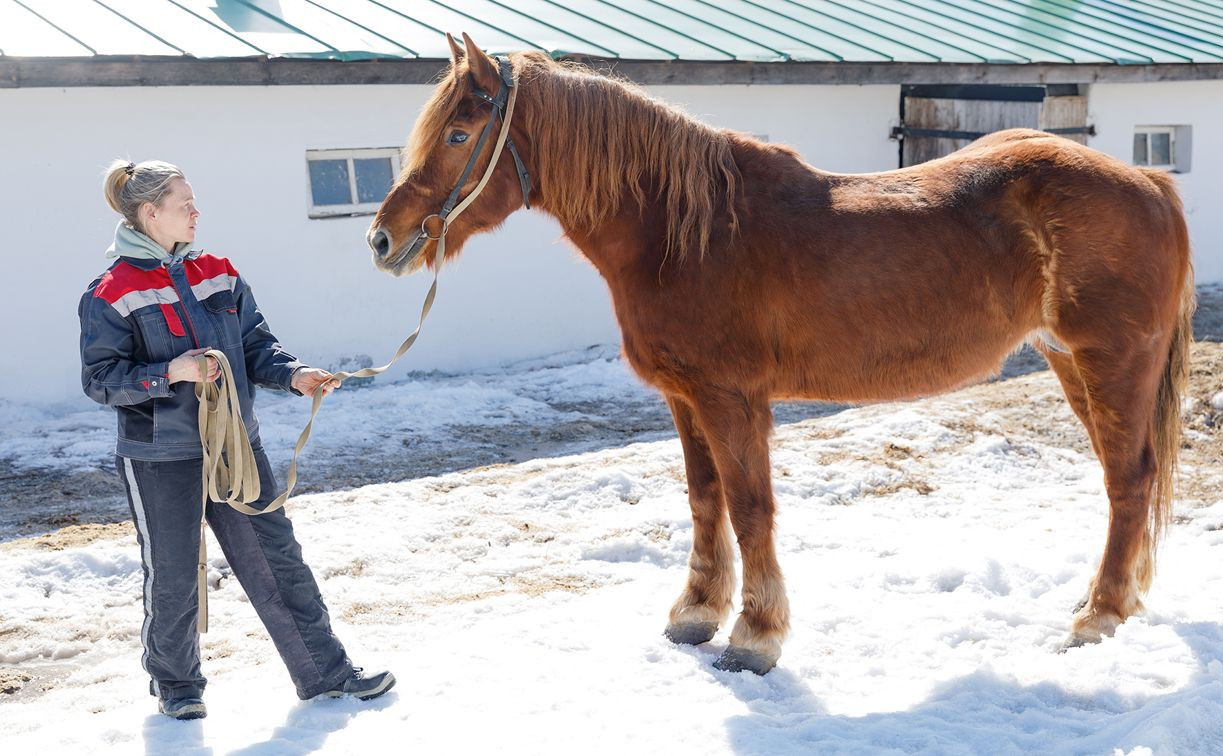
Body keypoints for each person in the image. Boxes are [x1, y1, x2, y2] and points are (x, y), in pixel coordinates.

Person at [79, 159, 394, 720]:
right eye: (185, 204)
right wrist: (169, 373)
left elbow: (256, 344)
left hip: (235, 449)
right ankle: (177, 686)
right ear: (151, 214)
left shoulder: (218, 271)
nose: (197, 212)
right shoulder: (111, 292)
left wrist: (294, 375)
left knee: (279, 562)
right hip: (161, 457)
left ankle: (326, 674)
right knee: (173, 574)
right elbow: (101, 381)